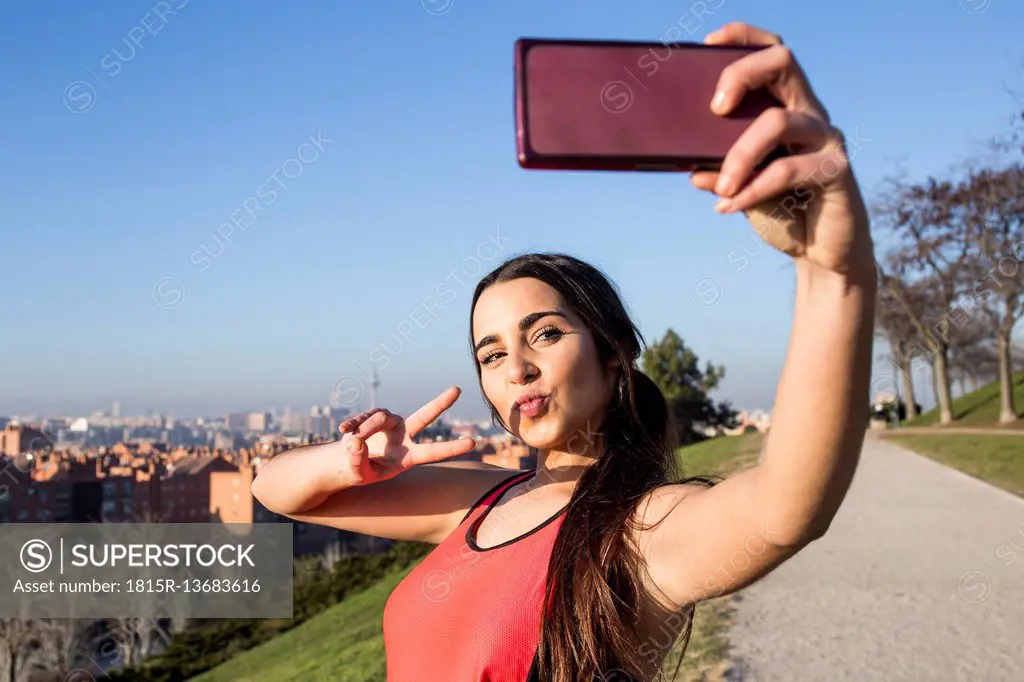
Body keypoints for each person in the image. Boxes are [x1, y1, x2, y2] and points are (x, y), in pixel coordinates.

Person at [250, 21, 877, 682]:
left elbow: (784, 512)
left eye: (545, 334)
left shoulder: (639, 532)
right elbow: (277, 491)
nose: (516, 366)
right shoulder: (482, 503)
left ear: (612, 356)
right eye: (490, 355)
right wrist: (348, 462)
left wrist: (833, 272)